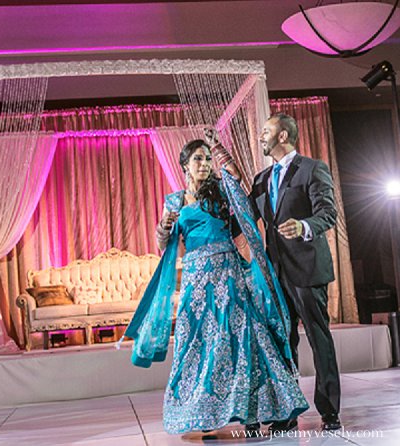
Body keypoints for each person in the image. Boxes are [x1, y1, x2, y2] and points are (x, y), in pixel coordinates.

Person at [121, 136, 308, 435]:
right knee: (195, 343)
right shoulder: (174, 201)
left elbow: (236, 177)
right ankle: (204, 414)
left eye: (208, 159)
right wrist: (163, 228)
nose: (205, 164)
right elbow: (165, 245)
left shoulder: (221, 191)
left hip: (228, 275)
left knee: (241, 339)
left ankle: (251, 415)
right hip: (197, 282)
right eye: (198, 158)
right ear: (184, 164)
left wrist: (220, 148)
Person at [249, 113, 341, 432]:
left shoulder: (313, 169)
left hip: (308, 269)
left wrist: (303, 226)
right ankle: (287, 409)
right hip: (276, 275)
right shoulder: (261, 179)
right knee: (283, 344)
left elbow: (328, 214)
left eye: (265, 131)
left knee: (319, 339)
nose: (261, 136)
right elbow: (244, 219)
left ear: (283, 136)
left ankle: (329, 410)